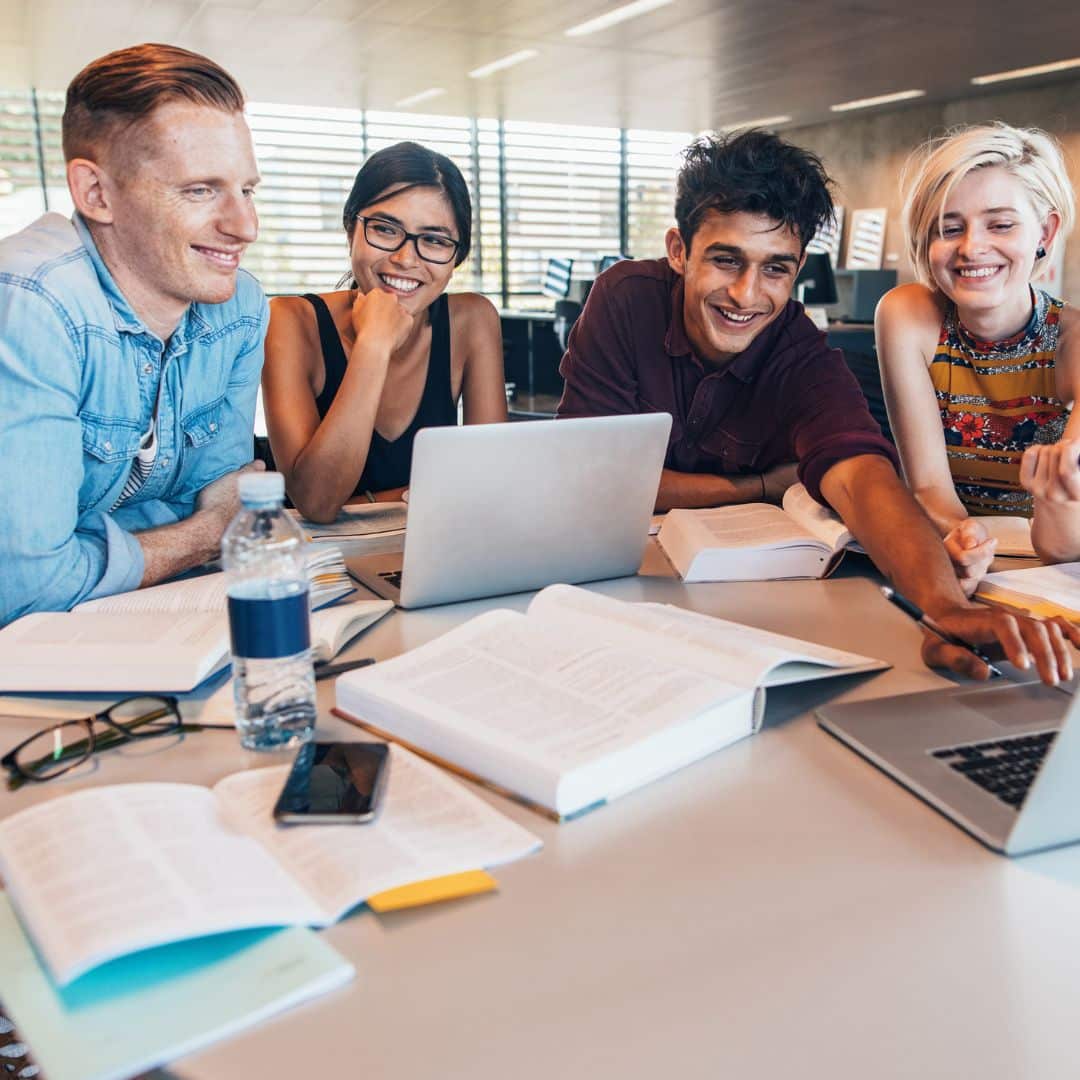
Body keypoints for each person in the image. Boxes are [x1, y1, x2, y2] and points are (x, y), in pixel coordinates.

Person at [557, 128, 1079, 684]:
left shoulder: (798, 349)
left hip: (737, 604)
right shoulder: (625, 299)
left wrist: (945, 608)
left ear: (798, 268)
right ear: (680, 251)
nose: (746, 294)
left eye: (775, 269)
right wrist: (759, 485)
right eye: (727, 261)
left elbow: (861, 475)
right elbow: (594, 478)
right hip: (608, 592)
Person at [0, 43, 268, 626]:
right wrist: (199, 535)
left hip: (154, 625)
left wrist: (93, 548)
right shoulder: (32, 303)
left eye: (247, 189)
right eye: (199, 190)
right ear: (96, 193)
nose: (245, 226)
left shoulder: (238, 306)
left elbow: (225, 497)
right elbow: (24, 585)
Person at [262, 142, 507, 523]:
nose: (405, 259)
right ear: (350, 230)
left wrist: (364, 503)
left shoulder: (472, 321)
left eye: (435, 240)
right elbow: (317, 502)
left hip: (439, 548)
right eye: (385, 229)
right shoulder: (289, 321)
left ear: (456, 257)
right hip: (328, 564)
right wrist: (374, 344)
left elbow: (490, 484)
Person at [876, 123, 1079, 580]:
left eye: (1001, 224)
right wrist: (961, 539)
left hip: (1055, 573)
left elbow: (1064, 547)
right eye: (949, 229)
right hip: (958, 567)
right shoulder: (908, 316)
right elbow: (928, 489)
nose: (971, 248)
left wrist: (1056, 493)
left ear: (1045, 231)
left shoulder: (1073, 344)